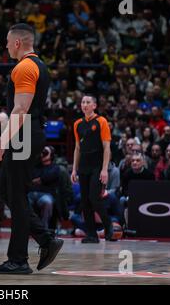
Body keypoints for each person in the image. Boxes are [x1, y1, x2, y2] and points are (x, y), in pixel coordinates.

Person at [0, 23, 63, 274]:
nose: (6, 46)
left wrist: (1, 143)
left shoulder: (25, 67)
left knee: (16, 196)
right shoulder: (38, 65)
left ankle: (19, 259)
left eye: (8, 42)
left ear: (18, 42)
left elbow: (20, 111)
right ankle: (45, 239)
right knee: (7, 194)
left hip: (24, 135)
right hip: (28, 134)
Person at [71, 95, 116, 243]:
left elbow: (106, 147)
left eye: (88, 102)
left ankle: (108, 226)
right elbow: (77, 148)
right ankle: (91, 235)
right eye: (83, 102)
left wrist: (104, 170)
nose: (85, 105)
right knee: (84, 202)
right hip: (83, 166)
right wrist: (74, 170)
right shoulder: (77, 124)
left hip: (97, 166)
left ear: (94, 106)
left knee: (94, 199)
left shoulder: (101, 121)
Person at [28, 146, 60, 229]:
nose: (43, 154)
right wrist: (41, 180)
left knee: (47, 202)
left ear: (51, 155)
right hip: (31, 193)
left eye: (46, 152)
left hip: (46, 194)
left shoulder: (55, 167)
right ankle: (27, 228)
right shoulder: (35, 166)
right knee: (23, 202)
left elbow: (49, 177)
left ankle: (43, 228)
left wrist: (40, 179)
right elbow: (30, 178)